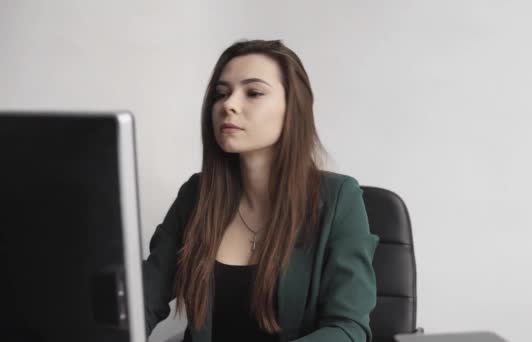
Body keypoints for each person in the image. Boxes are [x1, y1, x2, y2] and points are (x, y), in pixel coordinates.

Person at [143, 39, 379, 342]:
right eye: (221, 94)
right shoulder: (196, 195)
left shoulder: (339, 199)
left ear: (293, 108)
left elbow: (349, 328)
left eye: (253, 93)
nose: (229, 104)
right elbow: (143, 301)